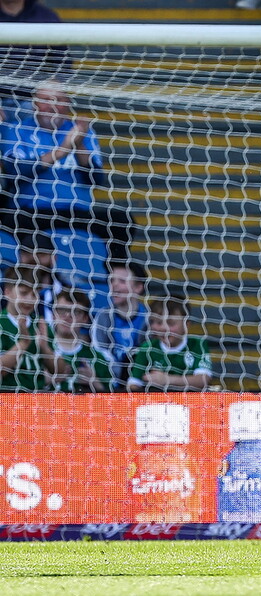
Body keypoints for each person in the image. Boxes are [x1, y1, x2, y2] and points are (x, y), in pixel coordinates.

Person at [1, 81, 133, 257]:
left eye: (59, 100)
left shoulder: (81, 130)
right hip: (32, 212)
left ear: (68, 103)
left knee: (121, 223)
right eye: (46, 100)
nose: (53, 106)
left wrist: (79, 145)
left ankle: (115, 277)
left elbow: (95, 179)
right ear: (35, 104)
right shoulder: (16, 130)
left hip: (75, 212)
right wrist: (63, 149)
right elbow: (16, 173)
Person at [127, 297, 213, 392]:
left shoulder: (197, 344)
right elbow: (133, 384)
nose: (164, 328)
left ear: (186, 325)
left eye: (171, 323)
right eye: (159, 323)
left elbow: (203, 380)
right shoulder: (147, 347)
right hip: (156, 404)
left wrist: (167, 380)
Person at [91, 260, 149, 387]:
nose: (114, 286)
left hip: (140, 383)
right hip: (110, 382)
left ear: (138, 287)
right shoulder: (103, 317)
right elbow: (99, 352)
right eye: (112, 281)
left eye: (122, 281)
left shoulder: (149, 318)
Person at [46, 288, 112, 393]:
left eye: (75, 312)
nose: (67, 316)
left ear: (85, 319)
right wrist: (44, 380)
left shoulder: (96, 358)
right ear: (53, 315)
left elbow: (114, 401)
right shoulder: (40, 352)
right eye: (62, 310)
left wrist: (95, 383)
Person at [0, 264, 47, 391]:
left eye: (34, 294)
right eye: (24, 293)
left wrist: (44, 345)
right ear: (7, 292)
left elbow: (60, 371)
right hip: (6, 400)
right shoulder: (1, 323)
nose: (30, 300)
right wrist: (24, 342)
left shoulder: (39, 324)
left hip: (38, 400)